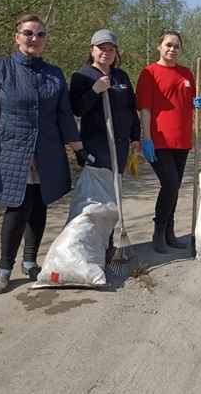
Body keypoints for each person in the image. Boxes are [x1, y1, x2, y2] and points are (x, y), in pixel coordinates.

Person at [0, 14, 92, 294]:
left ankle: (30, 261)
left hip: (47, 150)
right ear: (17, 36)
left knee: (40, 203)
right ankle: (4, 267)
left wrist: (78, 150)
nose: (34, 39)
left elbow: (65, 115)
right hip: (11, 148)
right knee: (18, 206)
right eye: (28, 33)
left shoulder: (53, 74)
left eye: (40, 34)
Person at [69, 29, 141, 263]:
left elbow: (131, 109)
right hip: (97, 145)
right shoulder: (82, 76)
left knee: (113, 197)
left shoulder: (121, 76)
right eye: (101, 48)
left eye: (111, 49)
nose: (106, 53)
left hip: (119, 146)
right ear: (92, 50)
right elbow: (76, 110)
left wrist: (135, 137)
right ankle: (90, 244)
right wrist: (94, 91)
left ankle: (108, 246)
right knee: (96, 199)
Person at [136, 29, 201, 254]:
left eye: (176, 46)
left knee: (174, 188)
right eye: (168, 45)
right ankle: (158, 231)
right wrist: (147, 138)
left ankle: (169, 232)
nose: (172, 49)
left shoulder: (186, 73)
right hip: (159, 139)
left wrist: (197, 103)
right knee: (170, 184)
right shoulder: (149, 73)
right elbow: (145, 109)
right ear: (159, 45)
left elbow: (188, 104)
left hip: (182, 139)